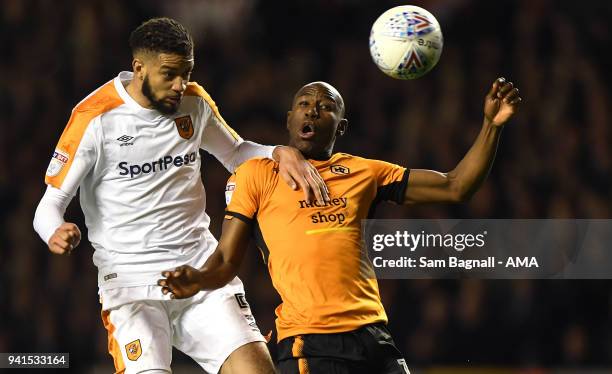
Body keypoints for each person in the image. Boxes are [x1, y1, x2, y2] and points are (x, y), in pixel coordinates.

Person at [158, 78, 521, 373]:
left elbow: (456, 185)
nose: (312, 110)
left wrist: (491, 126)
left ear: (341, 126)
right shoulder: (255, 176)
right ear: (289, 119)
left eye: (325, 106)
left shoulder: (366, 172)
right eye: (304, 104)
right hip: (312, 342)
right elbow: (225, 261)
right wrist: (198, 279)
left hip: (375, 336)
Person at [33, 17, 329, 374]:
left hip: (201, 273)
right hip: (132, 288)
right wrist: (54, 231)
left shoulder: (194, 102)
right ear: (139, 68)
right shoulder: (95, 118)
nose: (180, 85)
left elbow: (235, 152)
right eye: (169, 74)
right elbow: (49, 205)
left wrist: (277, 152)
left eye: (186, 73)